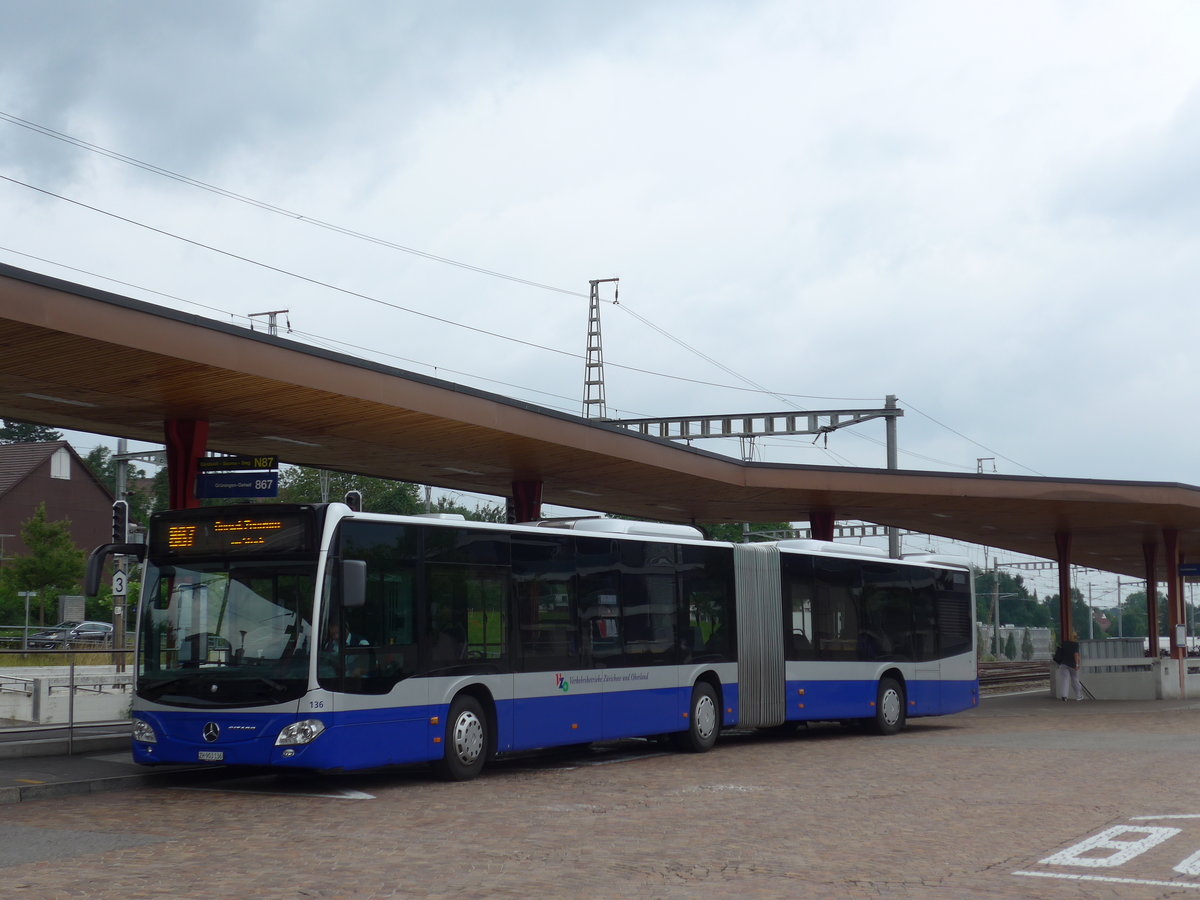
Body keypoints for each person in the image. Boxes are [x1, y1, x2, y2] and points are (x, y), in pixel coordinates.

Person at [1056, 630, 1083, 701]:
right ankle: (1078, 696)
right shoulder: (1075, 644)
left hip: (1063, 664)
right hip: (1073, 665)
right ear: (1075, 637)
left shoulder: (1064, 643)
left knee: (1065, 680)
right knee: (1075, 680)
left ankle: (1064, 696)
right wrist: (1077, 664)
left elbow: (1060, 652)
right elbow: (1076, 655)